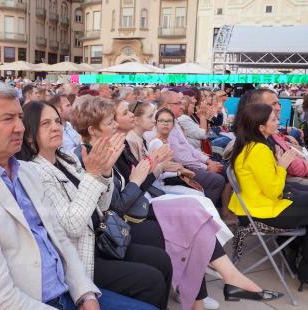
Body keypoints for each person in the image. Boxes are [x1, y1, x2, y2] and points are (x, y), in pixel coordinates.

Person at [0, 81, 128, 310]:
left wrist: (85, 293)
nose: (20, 127)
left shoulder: (27, 172)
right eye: (7, 119)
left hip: (65, 294)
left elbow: (60, 240)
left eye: (19, 117)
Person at [71, 95, 281, 310]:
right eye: (111, 121)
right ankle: (216, 288)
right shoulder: (90, 157)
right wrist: (146, 174)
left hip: (134, 210)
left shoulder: (113, 149)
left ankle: (218, 285)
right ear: (93, 129)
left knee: (193, 215)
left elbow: (129, 191)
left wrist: (150, 171)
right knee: (188, 228)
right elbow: (112, 207)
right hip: (118, 226)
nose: (119, 122)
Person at [19, 100, 166, 309]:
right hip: (83, 255)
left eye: (57, 121)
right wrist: (94, 174)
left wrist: (104, 173)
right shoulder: (35, 171)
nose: (55, 127)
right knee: (151, 280)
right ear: (29, 134)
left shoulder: (67, 159)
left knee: (160, 260)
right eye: (45, 124)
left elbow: (103, 206)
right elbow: (73, 225)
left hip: (102, 237)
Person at [229, 102, 308, 297]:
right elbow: (274, 191)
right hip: (262, 212)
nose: (278, 121)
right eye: (274, 119)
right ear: (261, 127)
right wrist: (282, 166)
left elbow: (270, 185)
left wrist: (278, 165)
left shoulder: (253, 146)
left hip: (260, 207)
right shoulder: (257, 150)